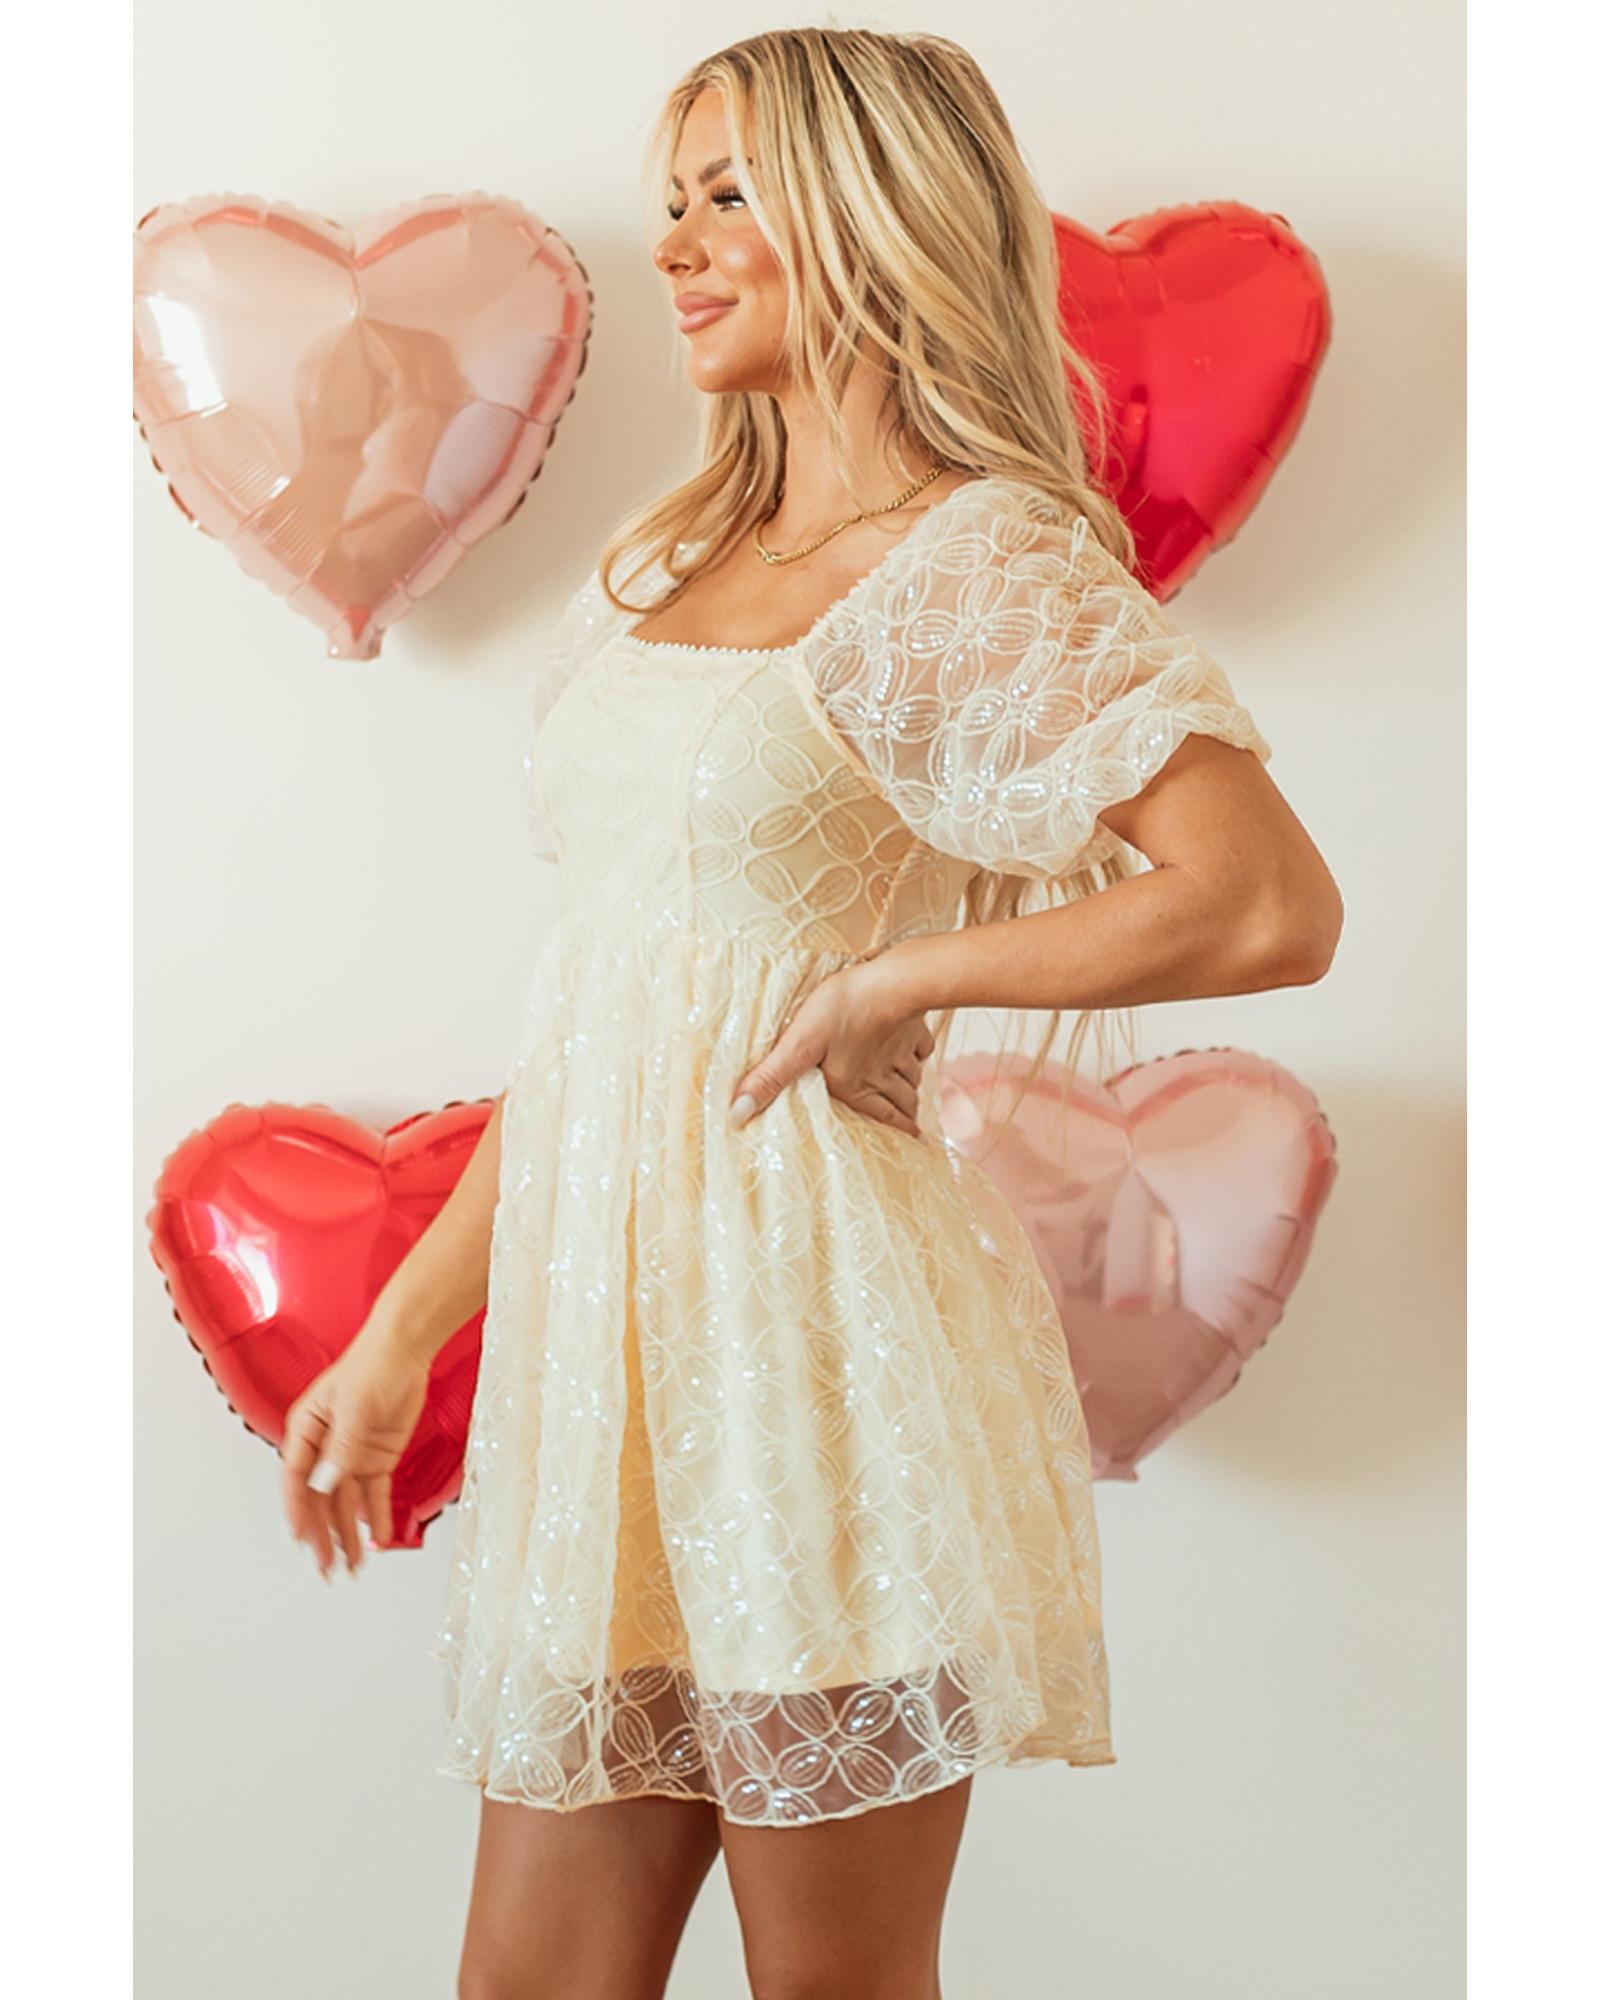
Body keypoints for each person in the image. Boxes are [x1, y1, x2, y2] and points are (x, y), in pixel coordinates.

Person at [279, 26, 1343, 2000]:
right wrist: (402, 1337)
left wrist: (902, 976)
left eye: (728, 197)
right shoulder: (664, 567)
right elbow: (610, 1018)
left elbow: (1265, 899)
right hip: (611, 1380)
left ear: (868, 216)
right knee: (527, 1983)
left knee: (831, 1985)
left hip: (818, 1353)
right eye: (670, 200)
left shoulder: (973, 562)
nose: (676, 244)